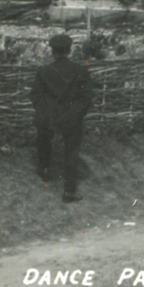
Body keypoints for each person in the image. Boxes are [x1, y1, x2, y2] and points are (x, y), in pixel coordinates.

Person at [31, 33, 92, 202]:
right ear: (69, 50)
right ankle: (69, 191)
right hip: (71, 116)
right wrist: (75, 114)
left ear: (53, 52)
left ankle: (44, 170)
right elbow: (85, 98)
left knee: (43, 139)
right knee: (71, 152)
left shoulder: (44, 71)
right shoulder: (80, 71)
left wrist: (45, 112)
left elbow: (35, 95)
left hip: (49, 116)